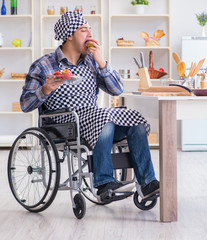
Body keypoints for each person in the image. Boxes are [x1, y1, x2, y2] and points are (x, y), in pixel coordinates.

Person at [20, 10, 159, 201]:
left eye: (90, 29)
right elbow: (25, 104)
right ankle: (103, 183)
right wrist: (45, 89)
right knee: (104, 118)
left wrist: (102, 62)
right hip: (63, 125)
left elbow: (117, 89)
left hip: (94, 121)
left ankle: (147, 183)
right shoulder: (44, 65)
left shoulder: (92, 63)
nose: (90, 35)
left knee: (133, 119)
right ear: (69, 35)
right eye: (84, 30)